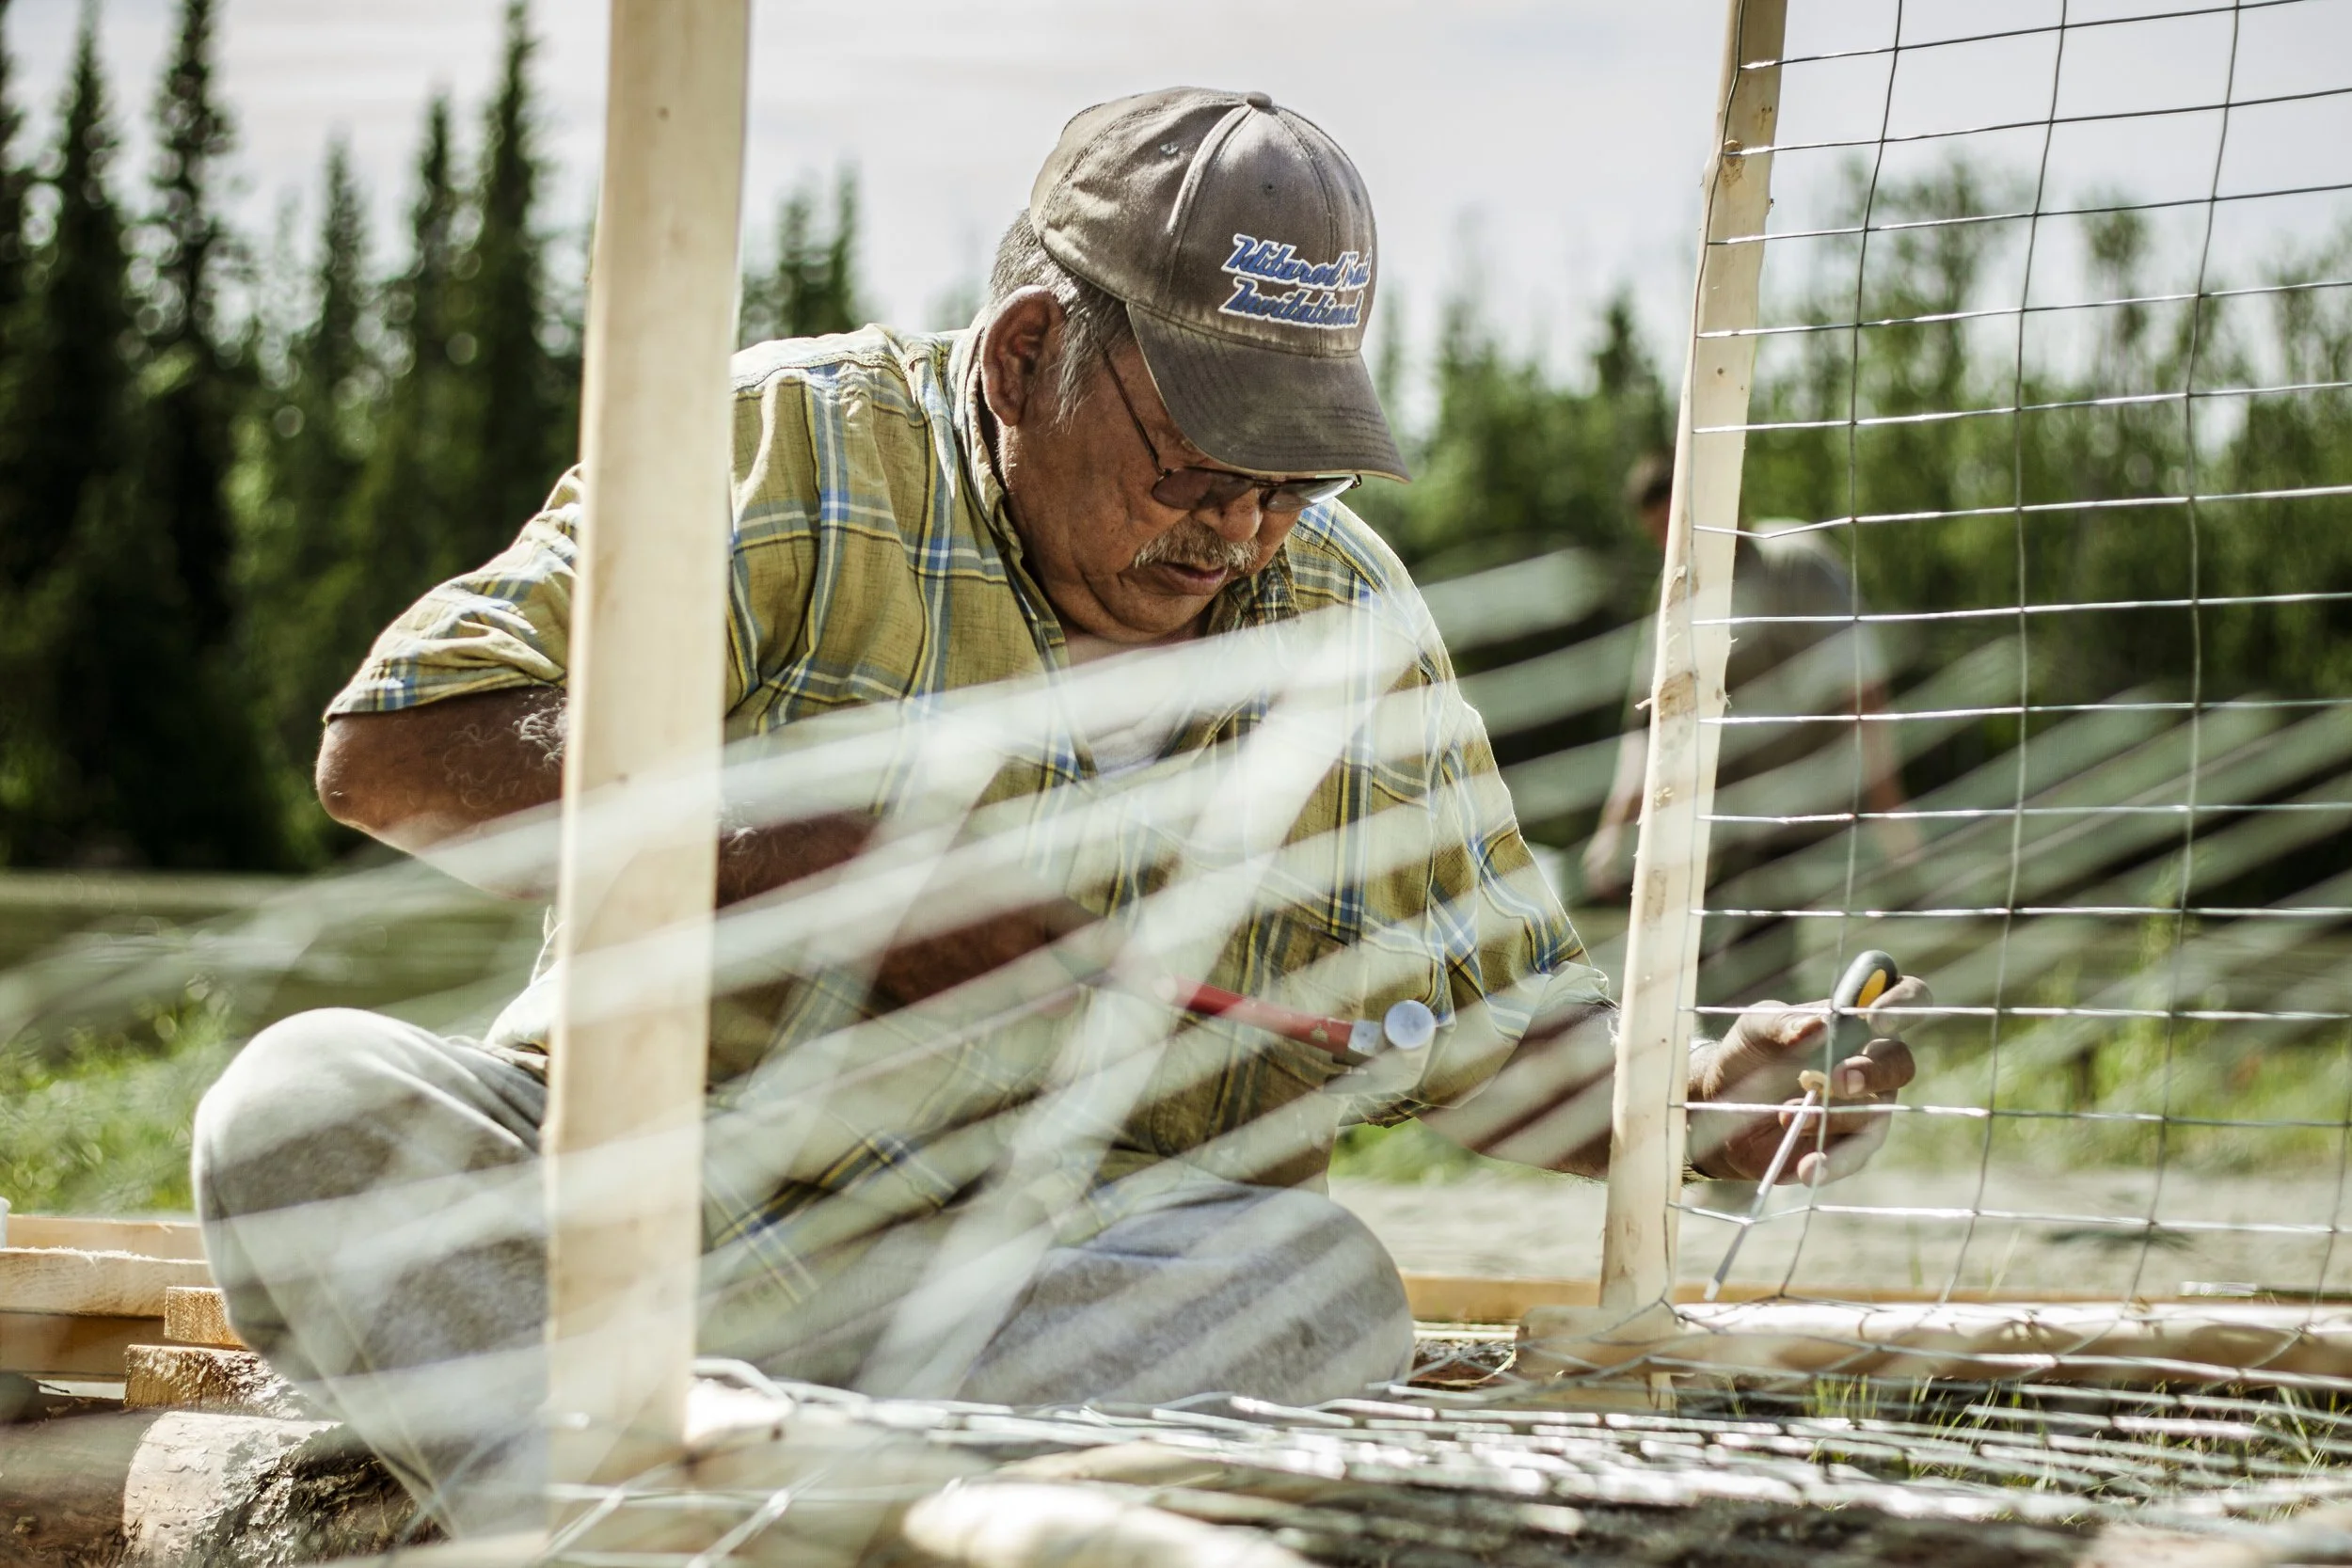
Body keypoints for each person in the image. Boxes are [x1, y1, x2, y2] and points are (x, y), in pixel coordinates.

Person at [192, 89, 1925, 1532]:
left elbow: (1483, 1016)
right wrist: (789, 868)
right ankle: (791, 1502)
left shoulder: (1341, 613)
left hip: (1028, 1293)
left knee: (1316, 1286)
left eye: (1291, 478)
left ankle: (664, 1504)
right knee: (301, 1105)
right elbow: (400, 744)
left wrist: (1703, 1095)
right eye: (1195, 464)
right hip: (645, 1217)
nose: (1241, 531)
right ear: (1028, 355)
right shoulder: (786, 446)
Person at [1583, 453, 1917, 1006]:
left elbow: (1865, 690)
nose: (1672, 549)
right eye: (1658, 537)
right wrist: (1613, 829)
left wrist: (1888, 808)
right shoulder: (1677, 595)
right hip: (1727, 825)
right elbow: (1647, 725)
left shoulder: (1796, 567)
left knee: (1787, 977)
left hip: (1815, 818)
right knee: (1702, 976)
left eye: (1678, 530)